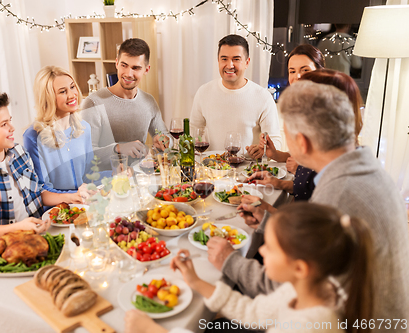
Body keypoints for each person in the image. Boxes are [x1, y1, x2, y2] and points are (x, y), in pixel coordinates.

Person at [209, 81, 409, 327]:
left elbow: (286, 285)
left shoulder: (338, 193)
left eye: (287, 135)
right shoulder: (365, 168)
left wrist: (229, 259)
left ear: (302, 143)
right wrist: (268, 218)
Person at [125, 202, 374, 333]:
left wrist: (150, 330)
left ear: (300, 268)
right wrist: (195, 281)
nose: (261, 251)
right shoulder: (303, 289)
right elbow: (254, 311)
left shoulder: (308, 326)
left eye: (271, 248)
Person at [0, 93, 83, 264]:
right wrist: (19, 228)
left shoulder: (19, 153)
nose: (12, 128)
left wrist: (71, 196)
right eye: (4, 124)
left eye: (10, 120)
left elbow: (38, 193)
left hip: (33, 238)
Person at [253, 69, 363, 202]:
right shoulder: (352, 161)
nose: (297, 78)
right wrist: (280, 183)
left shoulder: (336, 193)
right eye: (291, 71)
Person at [81, 38, 170, 169]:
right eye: (124, 65)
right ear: (116, 63)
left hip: (140, 177)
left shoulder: (148, 101)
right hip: (105, 182)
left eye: (136, 68)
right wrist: (118, 148)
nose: (128, 74)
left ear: (146, 69)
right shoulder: (94, 102)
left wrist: (165, 142)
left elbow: (165, 136)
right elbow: (86, 155)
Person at [190, 34, 281, 157]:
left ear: (247, 62)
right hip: (212, 169)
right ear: (218, 61)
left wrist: (263, 150)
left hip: (248, 171)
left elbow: (276, 142)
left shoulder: (263, 97)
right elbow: (192, 132)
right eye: (224, 59)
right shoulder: (203, 92)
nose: (229, 65)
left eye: (236, 59)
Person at [23, 66, 95, 198]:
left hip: (84, 203)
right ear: (48, 98)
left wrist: (114, 172)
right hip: (56, 211)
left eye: (72, 87)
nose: (72, 95)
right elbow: (41, 189)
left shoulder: (84, 128)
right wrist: (74, 196)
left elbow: (89, 173)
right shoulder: (33, 136)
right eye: (63, 92)